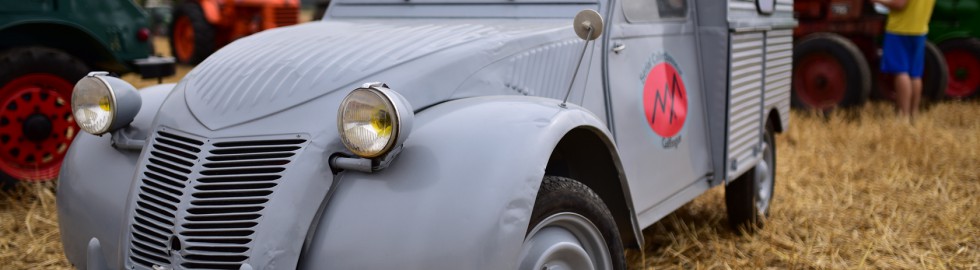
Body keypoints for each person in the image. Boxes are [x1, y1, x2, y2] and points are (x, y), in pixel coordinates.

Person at [872, 0, 935, 122]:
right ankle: (913, 113)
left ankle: (903, 116)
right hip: (919, 29)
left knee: (900, 71)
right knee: (915, 74)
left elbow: (899, 4)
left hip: (900, 29)